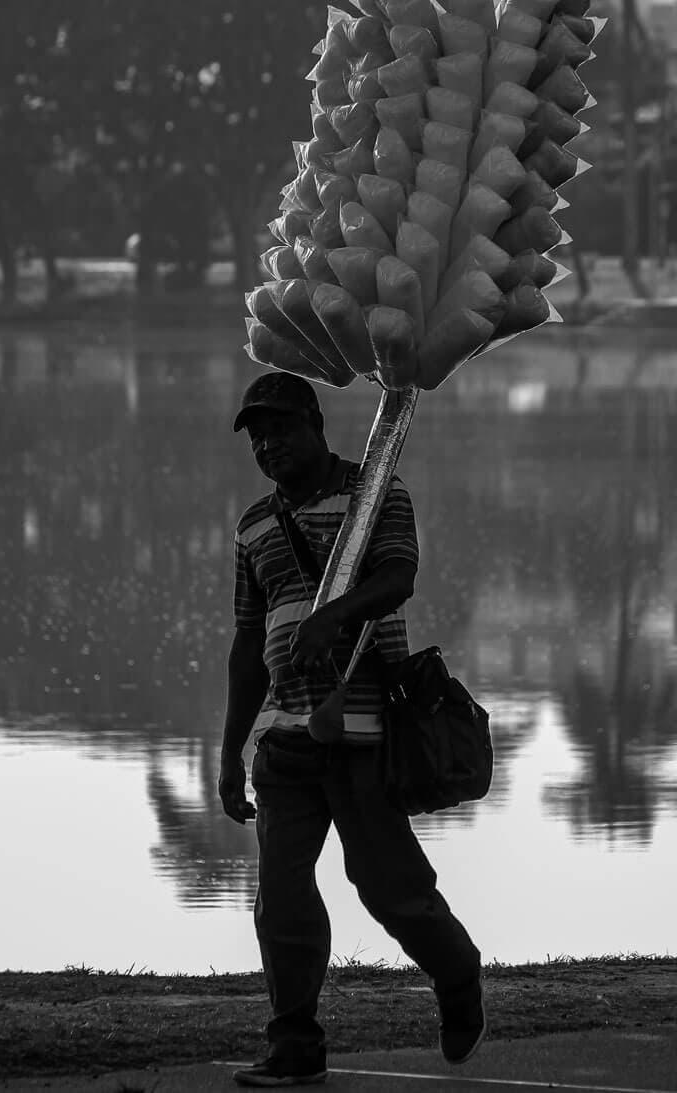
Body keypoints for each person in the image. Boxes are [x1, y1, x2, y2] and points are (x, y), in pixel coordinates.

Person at [219, 371, 485, 1088]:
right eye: (257, 436)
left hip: (364, 727)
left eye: (281, 428)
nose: (269, 445)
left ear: (315, 423)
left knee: (386, 885)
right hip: (281, 736)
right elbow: (247, 645)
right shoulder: (250, 524)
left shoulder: (372, 492)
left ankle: (457, 972)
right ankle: (294, 1043)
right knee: (280, 895)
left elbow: (397, 577)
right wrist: (227, 750)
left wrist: (329, 618)